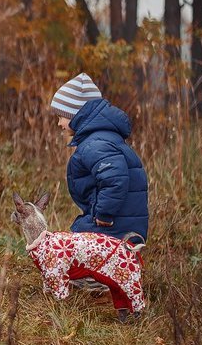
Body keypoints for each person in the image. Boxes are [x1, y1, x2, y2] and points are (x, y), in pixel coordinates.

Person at [50, 73, 149, 245]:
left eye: (61, 116)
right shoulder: (100, 138)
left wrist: (104, 213)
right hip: (121, 222)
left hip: (115, 226)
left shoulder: (95, 144)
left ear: (76, 115)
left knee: (63, 248)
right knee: (74, 234)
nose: (59, 123)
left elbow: (115, 179)